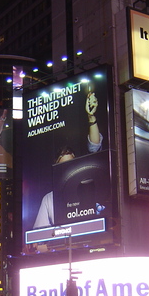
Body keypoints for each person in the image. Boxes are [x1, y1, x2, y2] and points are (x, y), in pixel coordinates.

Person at [33, 91, 103, 229]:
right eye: (62, 165)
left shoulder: (88, 185)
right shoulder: (49, 199)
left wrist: (91, 117)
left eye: (70, 164)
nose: (67, 169)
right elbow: (39, 233)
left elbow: (95, 148)